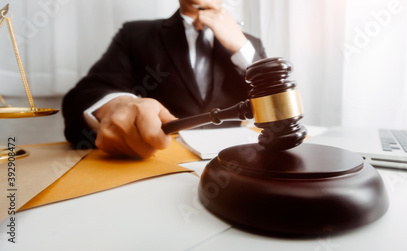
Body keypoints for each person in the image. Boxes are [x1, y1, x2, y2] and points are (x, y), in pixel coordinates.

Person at [62, 0, 266, 159]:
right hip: (158, 158)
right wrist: (115, 108)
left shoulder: (250, 44)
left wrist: (241, 47)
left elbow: (279, 110)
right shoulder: (135, 34)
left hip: (233, 159)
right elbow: (84, 94)